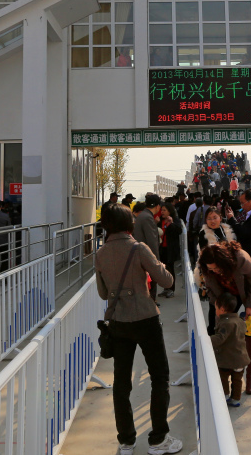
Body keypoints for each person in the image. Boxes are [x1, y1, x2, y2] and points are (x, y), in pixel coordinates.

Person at [95, 204, 182, 455]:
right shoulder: (138, 248)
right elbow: (166, 280)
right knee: (159, 377)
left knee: (121, 383)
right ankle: (157, 440)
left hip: (119, 322)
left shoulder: (101, 253)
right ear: (128, 224)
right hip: (146, 318)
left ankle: (126, 441)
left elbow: (103, 292)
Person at [197, 241, 251, 395]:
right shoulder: (206, 266)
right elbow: (210, 288)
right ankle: (223, 372)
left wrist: (250, 307)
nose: (215, 271)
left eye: (217, 268)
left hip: (248, 292)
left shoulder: (240, 258)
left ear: (223, 262)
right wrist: (218, 306)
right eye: (211, 269)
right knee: (219, 328)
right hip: (225, 296)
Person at [210, 292, 249, 408]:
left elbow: (220, 338)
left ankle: (225, 396)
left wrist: (206, 340)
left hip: (227, 359)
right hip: (241, 358)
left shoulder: (226, 323)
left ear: (222, 309)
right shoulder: (240, 321)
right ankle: (236, 398)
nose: (215, 310)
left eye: (216, 307)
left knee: (223, 377)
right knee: (237, 380)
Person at [134, 194, 164, 298]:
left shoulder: (143, 215)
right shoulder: (148, 218)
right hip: (147, 259)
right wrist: (156, 262)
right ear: (157, 206)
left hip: (140, 256)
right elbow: (152, 243)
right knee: (150, 291)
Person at [158, 204, 183, 298]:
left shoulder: (175, 219)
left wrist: (171, 223)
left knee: (170, 269)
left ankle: (171, 289)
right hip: (161, 248)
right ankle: (165, 288)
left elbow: (179, 231)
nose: (162, 212)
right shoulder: (160, 220)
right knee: (163, 269)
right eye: (162, 210)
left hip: (170, 249)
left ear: (169, 211)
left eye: (164, 210)